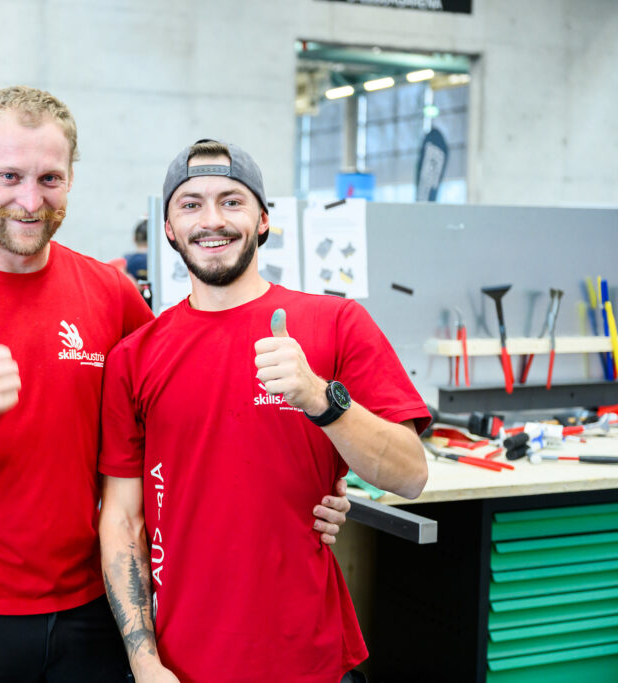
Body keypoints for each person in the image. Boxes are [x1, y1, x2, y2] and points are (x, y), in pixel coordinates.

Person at [0, 88, 349, 682]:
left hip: (89, 615)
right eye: (8, 176)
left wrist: (304, 495)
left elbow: (191, 411)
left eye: (50, 178)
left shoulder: (108, 294)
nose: (30, 201)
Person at [98, 139, 431, 683]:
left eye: (232, 201)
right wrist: (143, 661)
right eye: (190, 204)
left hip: (309, 658)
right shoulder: (135, 357)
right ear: (167, 228)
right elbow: (122, 518)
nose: (212, 220)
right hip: (183, 664)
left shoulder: (336, 323)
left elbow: (410, 474)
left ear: (262, 220)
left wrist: (322, 401)